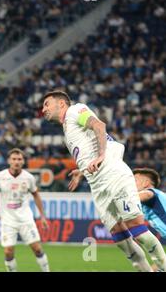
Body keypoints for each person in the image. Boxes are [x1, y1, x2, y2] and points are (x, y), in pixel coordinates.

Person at [44, 90, 166, 272]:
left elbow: (99, 125)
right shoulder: (67, 128)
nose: (43, 109)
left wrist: (102, 154)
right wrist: (82, 171)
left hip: (113, 174)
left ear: (61, 104)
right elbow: (88, 152)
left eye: (47, 104)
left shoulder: (75, 111)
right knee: (122, 241)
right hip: (98, 185)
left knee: (136, 228)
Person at [0, 148, 50, 272]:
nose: (16, 162)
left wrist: (42, 216)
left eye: (19, 159)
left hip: (25, 219)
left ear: (23, 161)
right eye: (14, 159)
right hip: (8, 220)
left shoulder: (29, 178)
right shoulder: (0, 176)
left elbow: (36, 194)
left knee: (36, 248)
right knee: (8, 251)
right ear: (9, 161)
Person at [133, 168, 166, 239]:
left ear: (146, 183)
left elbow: (147, 194)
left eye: (135, 180)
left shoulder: (150, 192)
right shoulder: (160, 195)